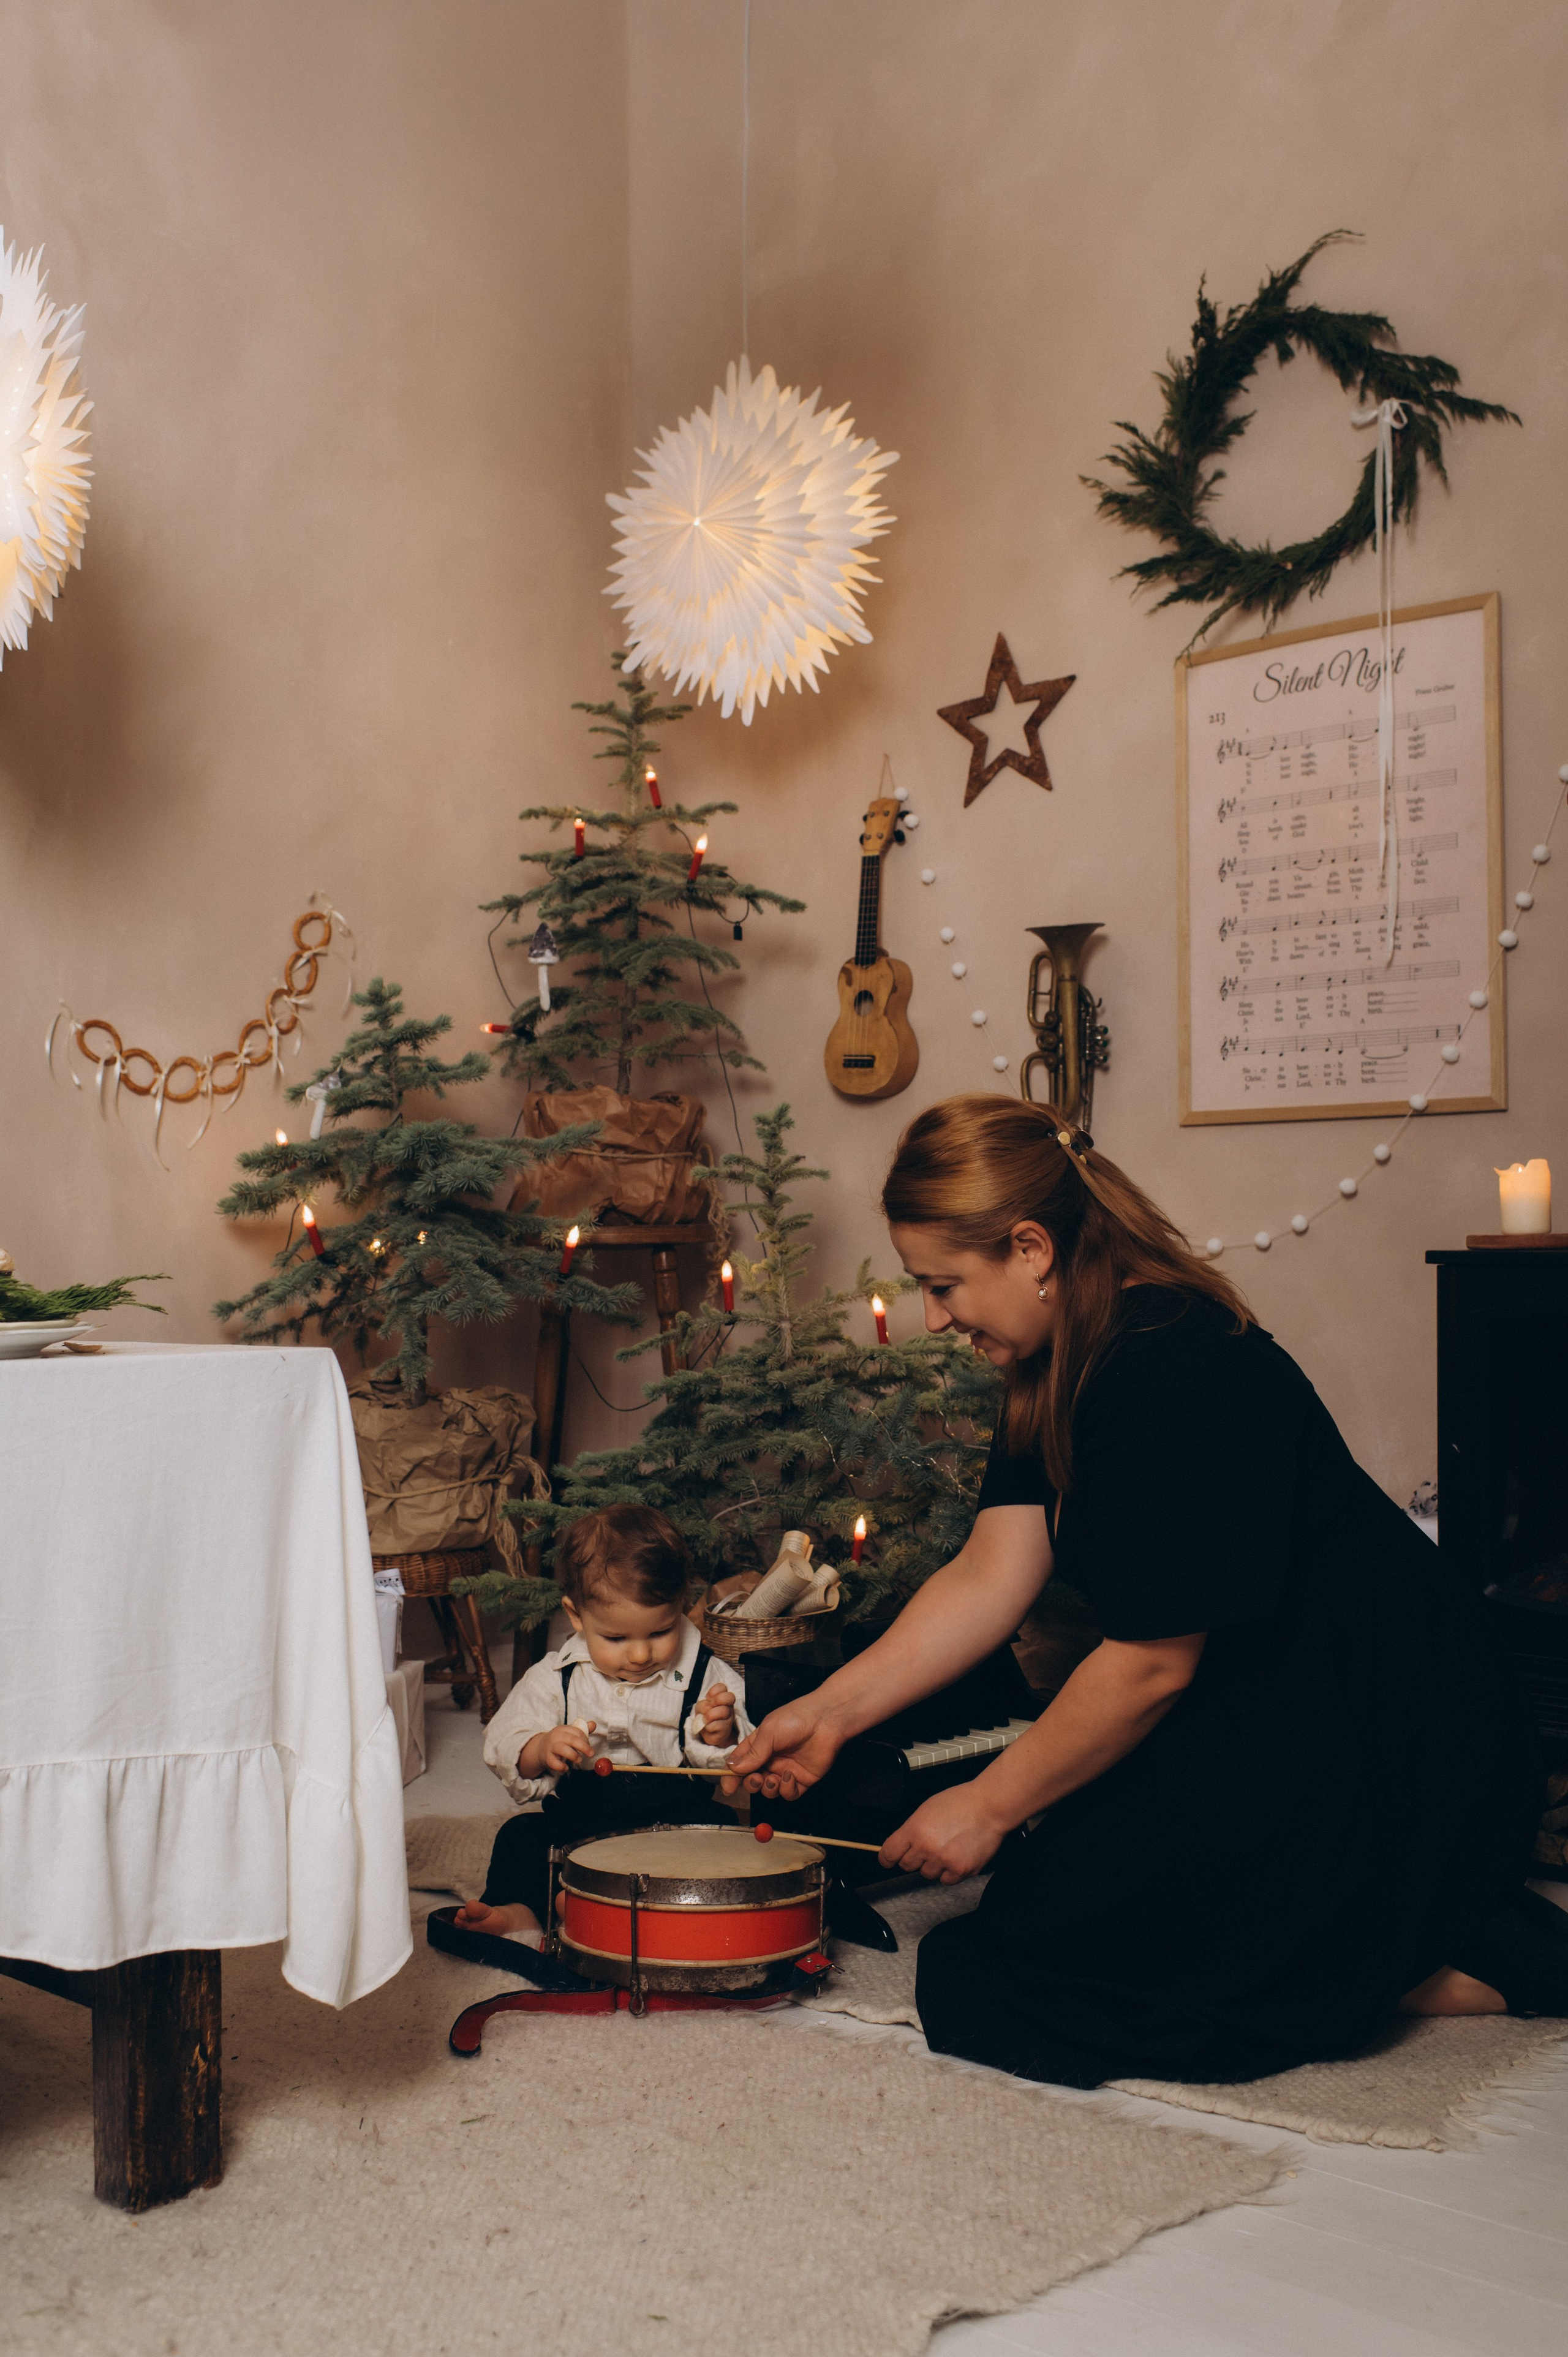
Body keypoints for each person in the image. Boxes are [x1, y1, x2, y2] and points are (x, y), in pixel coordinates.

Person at [724, 1096, 1564, 2089]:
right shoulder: (1053, 1363)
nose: (936, 1316)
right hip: (1262, 1701)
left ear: (1031, 1247)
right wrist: (826, 1711)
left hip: (1387, 1722)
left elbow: (1155, 1663)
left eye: (944, 1284)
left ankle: (1463, 1962)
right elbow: (993, 1571)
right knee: (1046, 1908)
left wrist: (989, 1803)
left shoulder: (1175, 1366)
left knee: (1029, 1975)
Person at [455, 1504, 750, 1946]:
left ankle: (607, 1913)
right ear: (577, 1616)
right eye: (616, 1638)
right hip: (583, 1825)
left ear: (681, 1606)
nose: (639, 1655)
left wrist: (720, 1736)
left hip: (675, 1826)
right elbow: (505, 1740)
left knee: (728, 1840)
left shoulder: (707, 1674)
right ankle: (521, 1912)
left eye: (659, 1633)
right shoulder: (558, 1676)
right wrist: (541, 1748)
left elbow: (736, 1764)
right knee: (522, 1836)